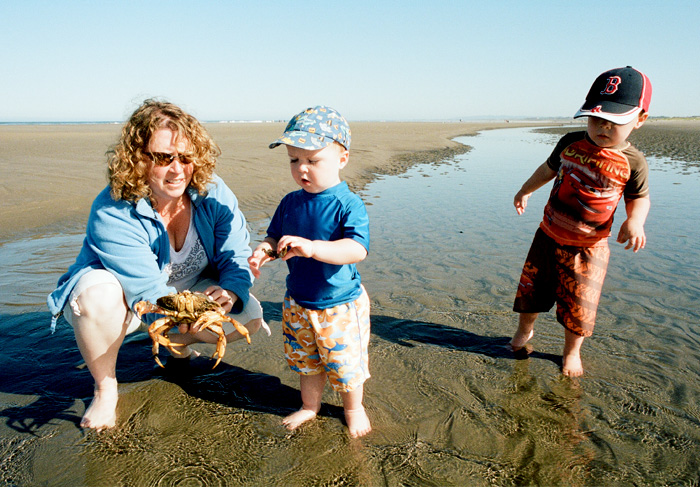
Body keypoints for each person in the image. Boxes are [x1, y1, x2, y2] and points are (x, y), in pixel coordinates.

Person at [47, 99, 268, 432]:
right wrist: (179, 319)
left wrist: (231, 291)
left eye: (186, 157)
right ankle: (105, 388)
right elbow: (146, 290)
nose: (177, 169)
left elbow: (236, 253)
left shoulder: (213, 193)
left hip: (183, 293)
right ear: (139, 159)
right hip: (126, 297)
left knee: (249, 315)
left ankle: (176, 349)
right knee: (97, 300)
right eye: (164, 158)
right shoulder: (113, 210)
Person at [509, 66, 652, 377]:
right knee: (531, 290)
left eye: (613, 121)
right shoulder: (570, 143)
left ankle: (571, 352)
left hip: (589, 247)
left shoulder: (634, 162)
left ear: (639, 119)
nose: (602, 126)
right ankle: (525, 330)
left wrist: (635, 221)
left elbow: (639, 198)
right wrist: (525, 190)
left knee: (580, 307)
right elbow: (548, 169)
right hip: (547, 236)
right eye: (595, 118)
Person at [248, 106, 372, 438]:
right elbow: (275, 238)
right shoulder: (290, 202)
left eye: (313, 161)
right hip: (298, 303)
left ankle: (353, 408)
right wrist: (264, 251)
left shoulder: (348, 204)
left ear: (341, 158)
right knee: (307, 361)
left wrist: (314, 247)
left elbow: (357, 249)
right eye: (294, 160)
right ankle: (309, 406)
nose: (302, 168)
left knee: (346, 366)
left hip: (340, 305)